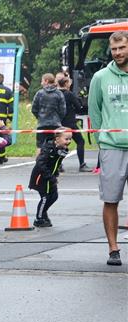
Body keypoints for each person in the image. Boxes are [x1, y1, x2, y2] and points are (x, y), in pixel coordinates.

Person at [88, 30, 128, 266]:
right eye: (114, 49)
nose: (118, 52)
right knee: (111, 199)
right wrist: (102, 139)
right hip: (112, 147)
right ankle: (113, 249)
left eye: (122, 48)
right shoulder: (100, 77)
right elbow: (94, 111)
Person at [29, 128, 73, 227]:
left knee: (54, 196)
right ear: (57, 139)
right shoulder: (48, 149)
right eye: (66, 139)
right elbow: (40, 163)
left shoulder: (61, 149)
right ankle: (39, 219)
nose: (69, 141)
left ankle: (43, 213)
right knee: (45, 197)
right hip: (41, 177)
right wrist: (50, 176)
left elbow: (57, 163)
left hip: (51, 177)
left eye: (70, 139)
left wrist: (55, 174)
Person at [57, 77, 90, 172]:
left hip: (58, 123)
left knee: (60, 143)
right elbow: (78, 107)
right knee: (80, 141)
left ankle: (58, 165)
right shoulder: (69, 94)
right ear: (66, 84)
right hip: (70, 123)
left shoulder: (56, 93)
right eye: (69, 82)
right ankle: (82, 164)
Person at [31, 73, 66, 153]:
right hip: (55, 124)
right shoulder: (59, 93)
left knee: (40, 146)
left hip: (42, 124)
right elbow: (63, 110)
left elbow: (34, 109)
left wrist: (40, 117)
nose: (41, 83)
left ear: (46, 81)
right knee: (56, 145)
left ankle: (39, 160)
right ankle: (55, 161)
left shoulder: (39, 93)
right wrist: (58, 119)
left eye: (42, 81)